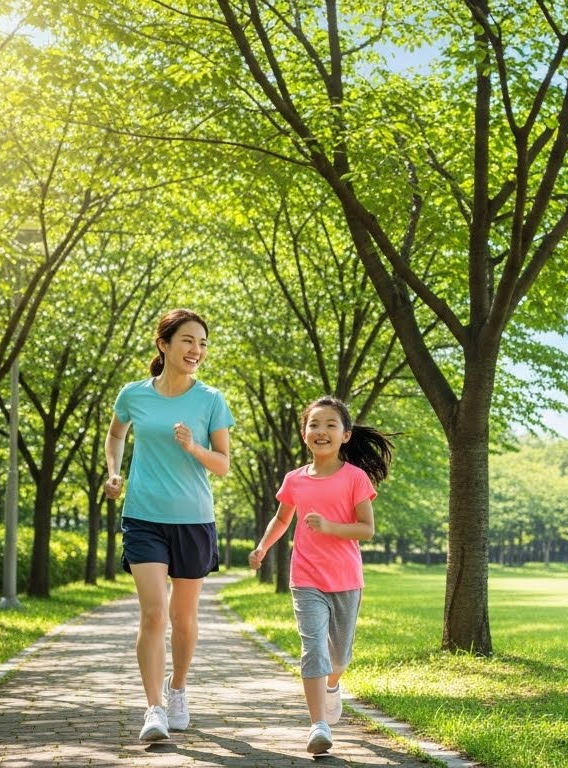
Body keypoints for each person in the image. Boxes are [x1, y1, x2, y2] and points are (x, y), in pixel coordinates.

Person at [103, 308, 233, 742]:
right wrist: (114, 472)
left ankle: (178, 689)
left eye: (202, 343)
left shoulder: (211, 400)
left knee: (184, 616)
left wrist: (194, 447)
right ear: (164, 344)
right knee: (155, 613)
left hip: (193, 519)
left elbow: (223, 465)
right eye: (188, 341)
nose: (197, 350)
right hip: (143, 516)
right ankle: (154, 708)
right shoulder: (134, 395)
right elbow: (116, 433)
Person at [248, 395, 394, 755]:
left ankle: (332, 685)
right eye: (314, 424)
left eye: (330, 424)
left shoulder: (355, 478)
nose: (321, 431)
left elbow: (366, 529)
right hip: (306, 577)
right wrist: (263, 547)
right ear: (304, 434)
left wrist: (330, 527)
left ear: (346, 435)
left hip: (345, 579)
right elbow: (282, 518)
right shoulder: (295, 479)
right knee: (313, 649)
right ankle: (318, 725)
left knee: (339, 658)